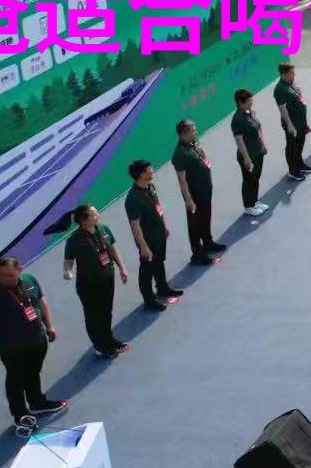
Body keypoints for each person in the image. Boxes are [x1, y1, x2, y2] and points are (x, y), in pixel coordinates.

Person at [0, 256, 65, 422]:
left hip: (37, 340)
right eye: (1, 275)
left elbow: (41, 302)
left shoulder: (30, 280)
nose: (4, 279)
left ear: (19, 270)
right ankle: (20, 415)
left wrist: (49, 326)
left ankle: (37, 403)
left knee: (33, 372)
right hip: (13, 348)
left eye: (9, 275)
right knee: (15, 380)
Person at [61, 204, 130, 358]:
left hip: (107, 280)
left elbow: (112, 250)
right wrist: (68, 272)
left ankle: (108, 339)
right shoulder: (74, 240)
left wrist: (122, 268)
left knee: (106, 312)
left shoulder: (104, 229)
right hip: (88, 285)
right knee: (94, 316)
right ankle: (100, 346)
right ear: (84, 220)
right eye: (94, 214)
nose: (98, 215)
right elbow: (68, 261)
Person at [124, 160, 183, 312]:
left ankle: (162, 288)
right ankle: (149, 300)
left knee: (159, 262)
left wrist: (164, 227)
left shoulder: (150, 187)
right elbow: (135, 225)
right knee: (147, 270)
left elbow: (158, 209)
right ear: (141, 174)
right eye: (149, 169)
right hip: (147, 239)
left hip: (158, 234)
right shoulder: (133, 198)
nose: (152, 170)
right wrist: (143, 247)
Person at [171, 119, 226, 265]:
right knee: (195, 224)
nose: (196, 133)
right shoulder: (180, 153)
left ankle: (208, 243)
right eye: (193, 131)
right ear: (183, 134)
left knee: (206, 217)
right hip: (194, 195)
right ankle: (197, 254)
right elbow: (181, 179)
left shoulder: (193, 143)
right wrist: (189, 200)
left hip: (205, 189)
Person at [232, 88, 271, 217]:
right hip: (248, 155)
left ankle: (254, 201)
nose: (251, 102)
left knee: (255, 178)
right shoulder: (237, 119)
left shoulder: (249, 113)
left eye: (251, 99)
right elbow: (239, 140)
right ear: (240, 102)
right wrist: (246, 158)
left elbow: (257, 129)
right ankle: (248, 207)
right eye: (248, 101)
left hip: (257, 151)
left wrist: (262, 145)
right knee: (249, 180)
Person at [273, 63, 311, 181]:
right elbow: (282, 108)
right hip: (292, 123)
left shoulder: (290, 84)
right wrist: (289, 125)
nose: (294, 74)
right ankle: (293, 171)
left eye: (293, 72)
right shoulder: (280, 89)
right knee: (292, 146)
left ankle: (300, 164)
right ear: (283, 74)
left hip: (300, 121)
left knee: (300, 143)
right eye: (291, 73)